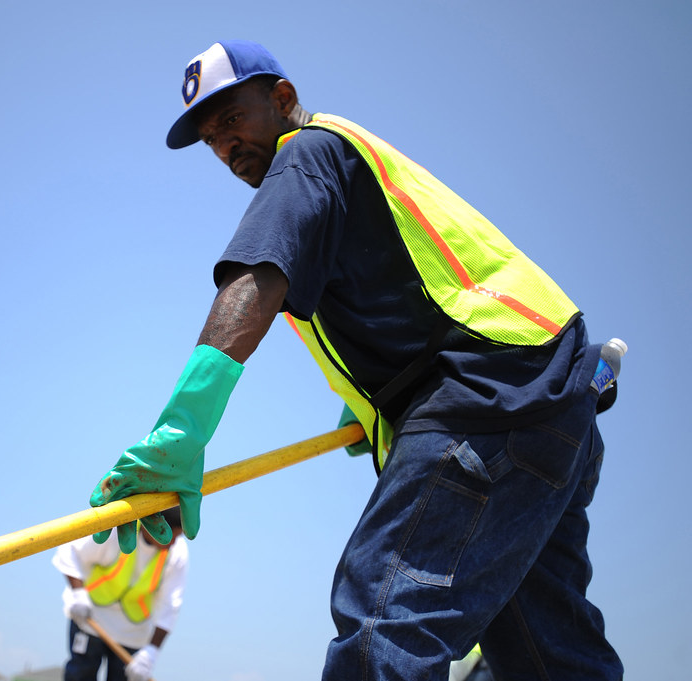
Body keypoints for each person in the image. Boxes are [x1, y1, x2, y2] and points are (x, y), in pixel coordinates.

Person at [88, 40, 624, 680]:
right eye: (210, 138)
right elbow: (407, 288)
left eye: (232, 120)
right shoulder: (347, 165)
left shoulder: (306, 152)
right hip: (552, 399)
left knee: (382, 627)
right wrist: (375, 408)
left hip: (486, 401)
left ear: (283, 99)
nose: (226, 147)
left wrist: (183, 429)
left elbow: (256, 279)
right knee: (548, 656)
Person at [53, 506, 188, 681]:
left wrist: (150, 653)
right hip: (91, 619)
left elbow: (170, 606)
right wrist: (78, 594)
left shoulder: (177, 553)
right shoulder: (120, 528)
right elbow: (70, 550)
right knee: (80, 675)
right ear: (154, 524)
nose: (173, 543)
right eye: (171, 536)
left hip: (132, 634)